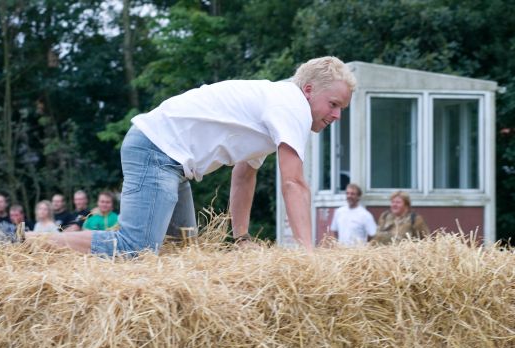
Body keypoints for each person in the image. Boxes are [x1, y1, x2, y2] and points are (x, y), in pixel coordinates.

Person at [27, 56, 356, 257]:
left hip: (170, 162)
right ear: (310, 90)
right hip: (157, 151)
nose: (337, 115)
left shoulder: (275, 108)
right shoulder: (292, 105)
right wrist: (308, 256)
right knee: (134, 250)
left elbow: (244, 174)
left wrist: (240, 238)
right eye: (334, 104)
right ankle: (32, 243)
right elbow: (294, 183)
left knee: (184, 253)